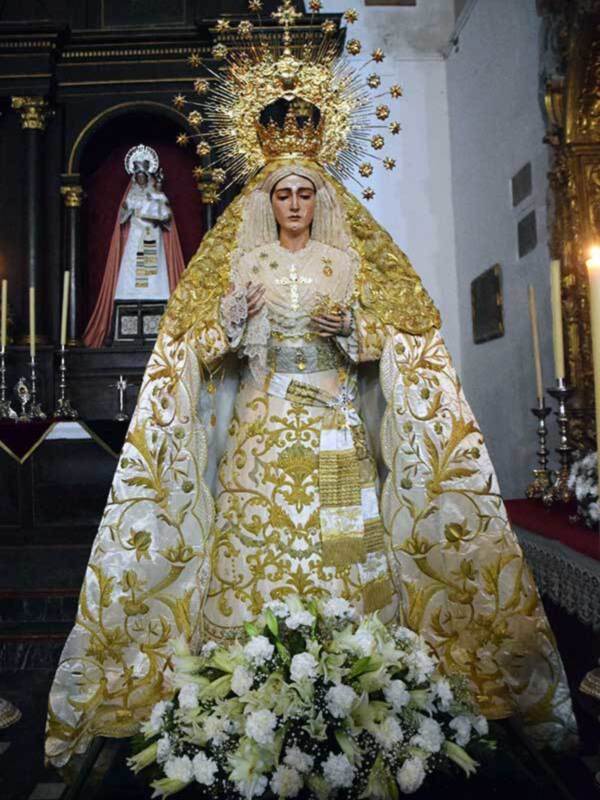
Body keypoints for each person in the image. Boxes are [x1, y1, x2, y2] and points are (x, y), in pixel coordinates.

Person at [45, 11, 577, 769]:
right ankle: (248, 681)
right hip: (261, 429)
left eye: (303, 192)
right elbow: (200, 355)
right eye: (283, 193)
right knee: (255, 544)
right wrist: (229, 326)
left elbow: (393, 346)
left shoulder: (346, 262)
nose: (294, 203)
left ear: (318, 196)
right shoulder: (241, 263)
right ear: (267, 199)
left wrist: (354, 329)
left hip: (332, 424)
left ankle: (359, 672)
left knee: (343, 543)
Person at [82, 146, 186, 347]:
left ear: (147, 176)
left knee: (154, 275)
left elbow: (166, 218)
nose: (140, 179)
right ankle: (128, 306)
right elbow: (122, 219)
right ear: (134, 177)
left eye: (143, 176)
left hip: (152, 239)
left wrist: (157, 199)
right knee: (132, 272)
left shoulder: (156, 193)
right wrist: (126, 211)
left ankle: (158, 310)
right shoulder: (131, 196)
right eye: (137, 176)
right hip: (136, 240)